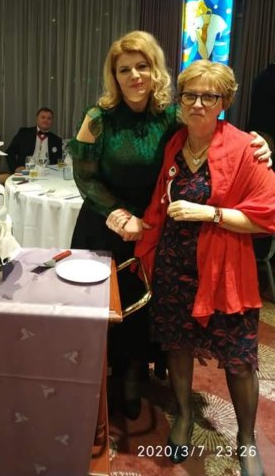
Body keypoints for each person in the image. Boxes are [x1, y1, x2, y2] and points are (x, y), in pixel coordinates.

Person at [69, 31, 271, 421]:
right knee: (101, 305)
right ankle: (98, 376)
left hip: (152, 225)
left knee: (142, 309)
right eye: (124, 69)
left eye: (142, 66)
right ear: (114, 75)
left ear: (155, 70)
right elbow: (85, 177)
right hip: (104, 222)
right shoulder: (97, 118)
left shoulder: (170, 115)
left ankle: (133, 376)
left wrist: (262, 143)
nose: (134, 75)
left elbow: (211, 127)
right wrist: (117, 214)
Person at [135, 60, 275, 473]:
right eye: (190, 95)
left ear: (224, 101)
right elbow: (160, 201)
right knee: (177, 345)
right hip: (175, 266)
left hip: (224, 273)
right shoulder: (175, 144)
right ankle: (184, 416)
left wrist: (209, 214)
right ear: (180, 99)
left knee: (240, 359)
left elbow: (267, 216)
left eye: (209, 96)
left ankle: (246, 439)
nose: (198, 104)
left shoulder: (247, 148)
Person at [6, 107, 62, 173]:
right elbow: (9, 152)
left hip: (48, 173)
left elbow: (59, 161)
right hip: (26, 172)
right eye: (43, 117)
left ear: (51, 121)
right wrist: (15, 168)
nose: (46, 120)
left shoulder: (57, 140)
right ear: (37, 119)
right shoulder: (24, 133)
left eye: (49, 118)